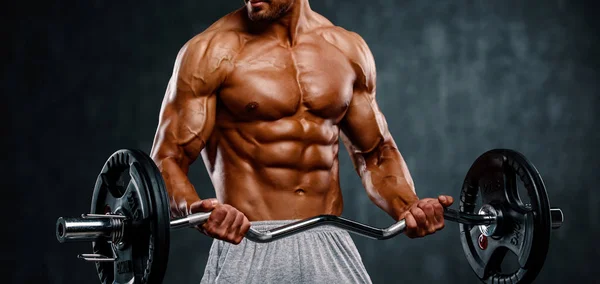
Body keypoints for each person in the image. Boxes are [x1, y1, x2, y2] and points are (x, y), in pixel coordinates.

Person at [150, 0, 454, 283]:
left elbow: (375, 152)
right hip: (250, 242)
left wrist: (409, 206)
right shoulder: (210, 51)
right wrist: (197, 210)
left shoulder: (346, 49)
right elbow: (167, 159)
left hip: (329, 240)